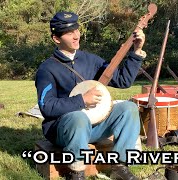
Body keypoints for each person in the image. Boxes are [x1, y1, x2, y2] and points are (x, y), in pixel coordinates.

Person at [35, 11, 147, 180]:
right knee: (78, 117)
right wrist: (82, 100)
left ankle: (119, 166)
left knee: (129, 108)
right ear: (56, 39)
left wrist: (137, 52)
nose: (76, 36)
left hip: (95, 127)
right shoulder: (47, 69)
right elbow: (47, 107)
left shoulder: (91, 60)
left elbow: (123, 81)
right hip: (64, 130)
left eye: (76, 30)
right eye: (68, 33)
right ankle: (77, 172)